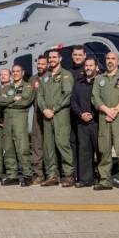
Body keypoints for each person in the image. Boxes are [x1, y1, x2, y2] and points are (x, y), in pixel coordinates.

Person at [92, 52, 119, 191]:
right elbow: (95, 97)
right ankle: (105, 180)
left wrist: (114, 111)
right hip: (104, 118)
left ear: (117, 61)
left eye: (113, 59)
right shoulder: (99, 78)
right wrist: (106, 110)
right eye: (108, 59)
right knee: (104, 150)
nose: (110, 61)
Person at [37, 49, 75, 187]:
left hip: (60, 116)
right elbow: (39, 96)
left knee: (62, 144)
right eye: (50, 57)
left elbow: (67, 95)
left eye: (54, 57)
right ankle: (52, 175)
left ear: (60, 59)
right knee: (49, 147)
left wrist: (53, 109)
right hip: (47, 116)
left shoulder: (66, 75)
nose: (52, 59)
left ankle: (69, 175)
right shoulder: (45, 77)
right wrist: (44, 109)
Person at [0, 64, 35, 186]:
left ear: (23, 73)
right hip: (7, 122)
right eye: (13, 71)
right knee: (8, 149)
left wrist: (9, 101)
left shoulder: (28, 86)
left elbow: (25, 101)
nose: (15, 73)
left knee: (22, 149)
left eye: (18, 71)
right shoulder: (7, 87)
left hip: (19, 121)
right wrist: (13, 99)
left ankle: (28, 175)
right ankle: (12, 175)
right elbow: (0, 101)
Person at [71, 57, 99, 187]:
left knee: (100, 150)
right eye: (86, 65)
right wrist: (81, 114)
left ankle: (101, 177)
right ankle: (85, 179)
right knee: (84, 151)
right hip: (81, 122)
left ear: (96, 67)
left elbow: (102, 100)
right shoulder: (78, 83)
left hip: (97, 122)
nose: (88, 68)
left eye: (91, 65)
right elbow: (73, 101)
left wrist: (92, 115)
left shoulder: (100, 82)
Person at [68, 45, 87, 181]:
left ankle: (86, 172)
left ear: (85, 56)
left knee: (85, 145)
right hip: (70, 114)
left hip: (84, 115)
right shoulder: (68, 73)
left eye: (80, 55)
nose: (77, 57)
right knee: (72, 143)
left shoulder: (88, 70)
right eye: (75, 55)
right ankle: (75, 173)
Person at [29, 55, 49, 182]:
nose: (40, 66)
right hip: (37, 116)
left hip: (51, 115)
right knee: (37, 145)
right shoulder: (33, 79)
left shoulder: (52, 77)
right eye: (39, 64)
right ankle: (38, 174)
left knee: (50, 146)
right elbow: (28, 97)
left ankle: (52, 172)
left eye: (43, 64)